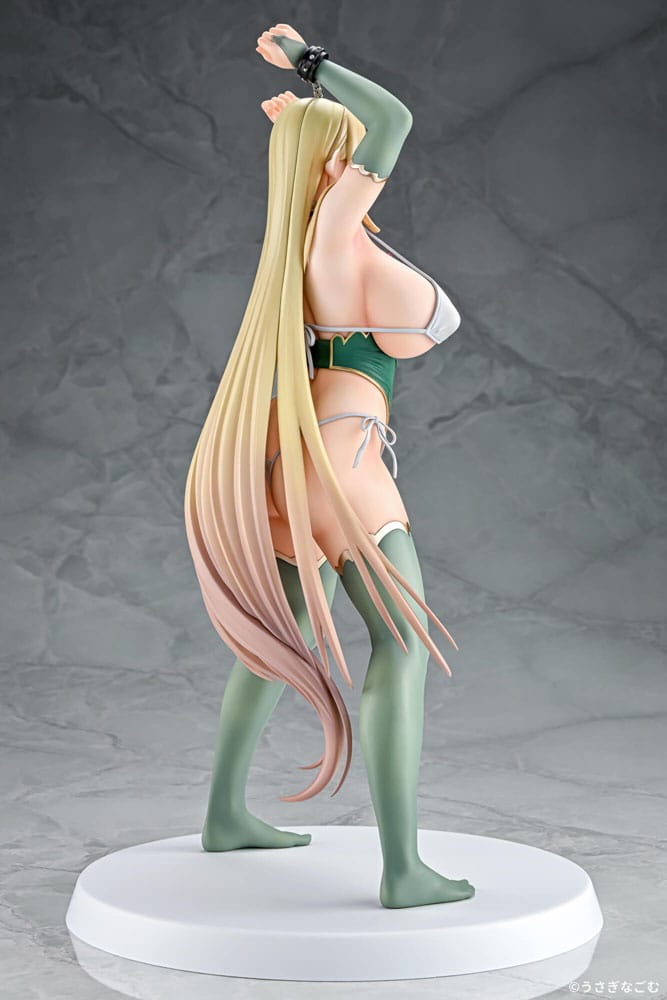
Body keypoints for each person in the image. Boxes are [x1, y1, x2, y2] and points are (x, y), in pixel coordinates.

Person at [184, 22, 474, 907]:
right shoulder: (336, 229)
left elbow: (353, 142)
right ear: (335, 169)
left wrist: (302, 127)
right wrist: (308, 61)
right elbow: (395, 120)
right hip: (346, 464)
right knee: (402, 647)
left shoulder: (300, 243)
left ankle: (224, 815)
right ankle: (403, 871)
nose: (361, 165)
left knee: (278, 642)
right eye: (346, 155)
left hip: (296, 466)